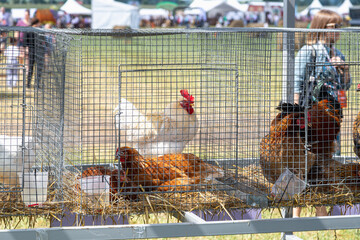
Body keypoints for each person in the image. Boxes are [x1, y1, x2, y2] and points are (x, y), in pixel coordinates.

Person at [293, 9, 351, 217]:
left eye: (339, 27)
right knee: (309, 160)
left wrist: (344, 68)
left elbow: (347, 85)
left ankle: (310, 210)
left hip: (332, 116)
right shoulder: (309, 52)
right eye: (334, 27)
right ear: (321, 27)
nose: (338, 31)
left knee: (324, 159)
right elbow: (297, 83)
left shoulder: (338, 53)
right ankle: (313, 211)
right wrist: (297, 114)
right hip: (312, 116)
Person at [24, 18, 46, 89]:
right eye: (39, 23)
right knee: (32, 68)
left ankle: (35, 84)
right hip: (33, 50)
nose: (40, 24)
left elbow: (43, 39)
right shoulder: (29, 30)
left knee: (37, 68)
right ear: (36, 23)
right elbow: (25, 41)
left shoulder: (40, 30)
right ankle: (29, 84)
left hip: (37, 50)